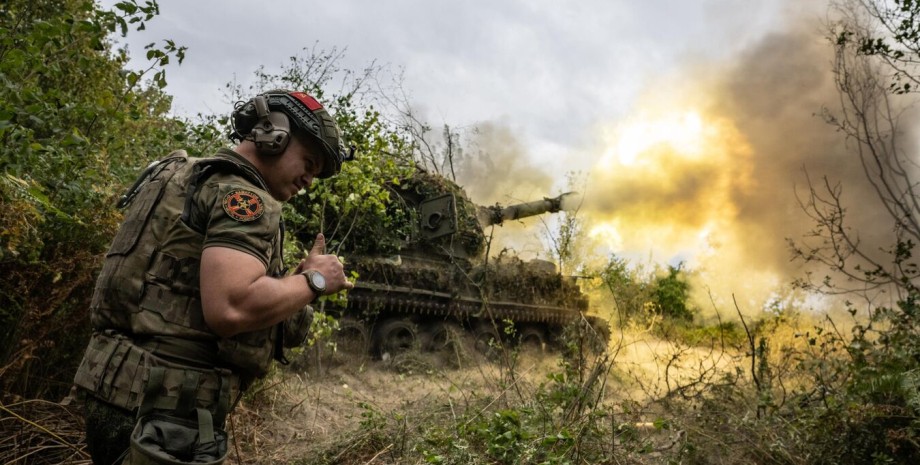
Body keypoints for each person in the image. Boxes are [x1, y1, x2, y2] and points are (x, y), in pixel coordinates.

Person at [71, 89, 354, 464]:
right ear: (275, 135)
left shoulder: (181, 175)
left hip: (119, 394)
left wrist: (291, 281)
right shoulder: (243, 197)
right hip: (165, 412)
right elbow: (231, 308)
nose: (309, 180)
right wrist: (314, 282)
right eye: (309, 161)